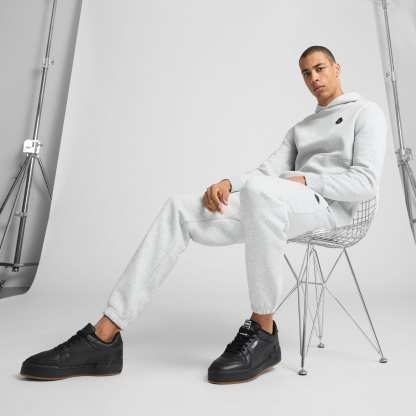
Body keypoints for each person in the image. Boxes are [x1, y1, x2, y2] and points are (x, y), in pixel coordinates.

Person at [19, 45, 387, 383]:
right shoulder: (301, 129)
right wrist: (228, 182)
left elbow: (366, 183)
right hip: (281, 203)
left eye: (320, 68)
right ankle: (104, 337)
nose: (314, 78)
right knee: (180, 207)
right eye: (306, 73)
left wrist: (307, 180)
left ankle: (263, 331)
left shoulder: (365, 113)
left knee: (261, 192)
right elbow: (265, 173)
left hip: (329, 210)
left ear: (337, 68)